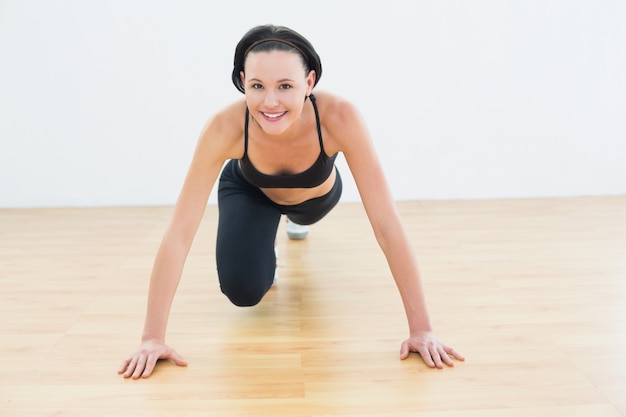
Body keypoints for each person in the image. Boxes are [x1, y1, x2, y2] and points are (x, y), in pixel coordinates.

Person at [118, 24, 464, 379]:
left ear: (309, 82)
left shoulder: (340, 117)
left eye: (285, 86)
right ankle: (266, 240)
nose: (270, 102)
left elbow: (387, 225)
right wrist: (152, 337)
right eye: (257, 86)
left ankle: (295, 224)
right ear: (242, 81)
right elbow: (179, 233)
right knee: (243, 291)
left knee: (305, 214)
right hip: (251, 191)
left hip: (315, 199)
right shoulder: (224, 127)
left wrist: (421, 328)